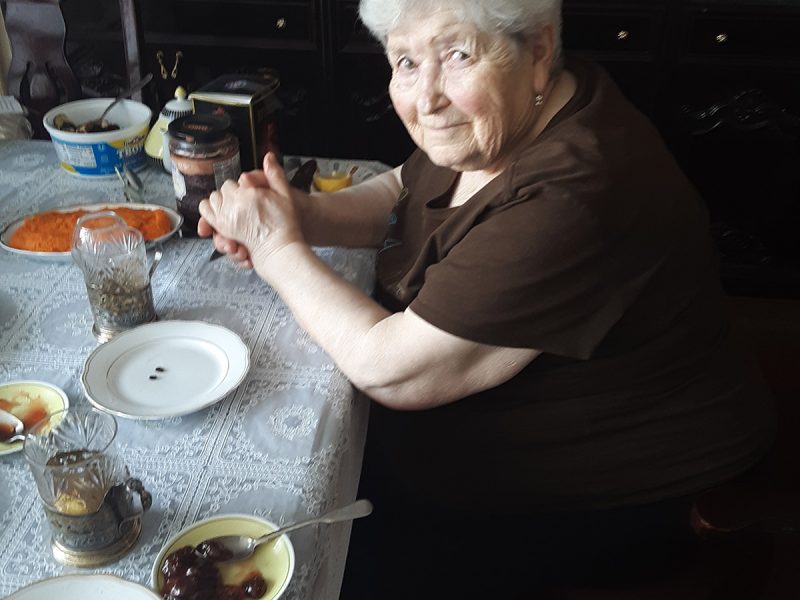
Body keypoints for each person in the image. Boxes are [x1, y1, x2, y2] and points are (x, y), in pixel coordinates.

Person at [198, 0, 776, 596]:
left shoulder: (574, 191)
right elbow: (403, 189)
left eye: (457, 56)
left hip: (629, 477)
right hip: (506, 430)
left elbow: (390, 369)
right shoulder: (522, 104)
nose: (427, 99)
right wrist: (303, 215)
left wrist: (276, 247)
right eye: (405, 62)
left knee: (341, 567)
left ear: (540, 50)